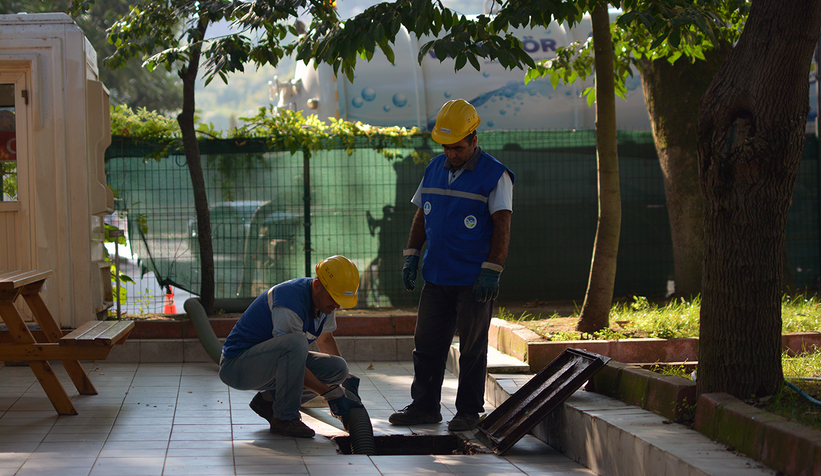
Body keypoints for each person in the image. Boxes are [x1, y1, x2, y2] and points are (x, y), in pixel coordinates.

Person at [389, 99, 514, 432]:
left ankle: (469, 411)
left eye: (458, 147)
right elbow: (422, 213)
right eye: (446, 148)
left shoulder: (495, 175)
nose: (452, 154)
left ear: (474, 139)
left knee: (472, 348)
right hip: (437, 276)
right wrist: (412, 254)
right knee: (427, 345)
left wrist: (492, 269)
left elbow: (502, 223)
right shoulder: (434, 168)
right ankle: (424, 407)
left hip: (474, 279)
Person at [219, 255, 364, 438]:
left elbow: (325, 340)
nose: (336, 304)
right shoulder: (289, 302)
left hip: (268, 365)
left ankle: (269, 402)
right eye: (334, 297)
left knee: (338, 368)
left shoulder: (325, 304)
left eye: (340, 300)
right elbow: (293, 358)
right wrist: (330, 394)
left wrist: (345, 382)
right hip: (238, 367)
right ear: (317, 285)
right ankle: (285, 418)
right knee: (296, 343)